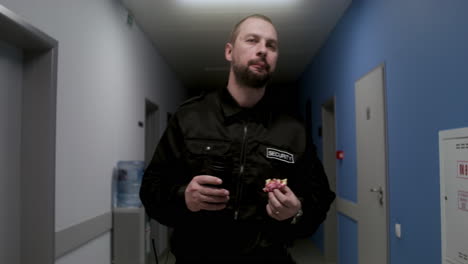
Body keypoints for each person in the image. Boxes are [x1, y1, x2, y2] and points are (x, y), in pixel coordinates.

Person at [140, 14, 336, 263]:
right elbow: (152, 188)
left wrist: (297, 211)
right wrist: (184, 198)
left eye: (271, 45)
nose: (263, 50)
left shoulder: (292, 128)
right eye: (252, 40)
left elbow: (320, 197)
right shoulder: (191, 117)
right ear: (229, 51)